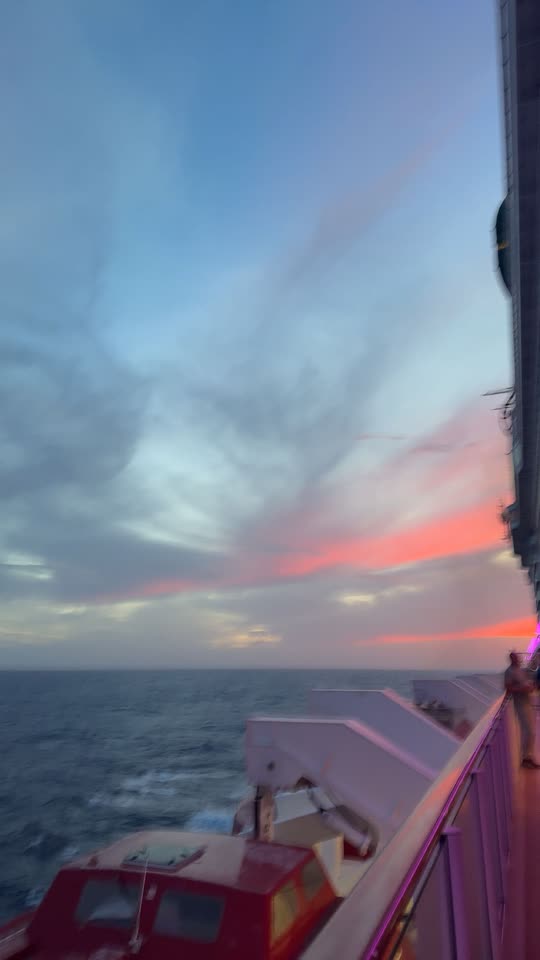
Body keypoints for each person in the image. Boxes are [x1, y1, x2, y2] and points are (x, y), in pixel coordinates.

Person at [504, 651, 539, 768]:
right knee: (527, 731)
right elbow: (508, 688)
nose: (518, 659)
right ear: (511, 659)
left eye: (518, 657)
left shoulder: (520, 670)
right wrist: (522, 688)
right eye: (515, 657)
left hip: (527, 703)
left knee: (532, 732)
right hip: (520, 705)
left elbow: (528, 681)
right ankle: (525, 758)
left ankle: (529, 757)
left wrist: (530, 686)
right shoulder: (509, 672)